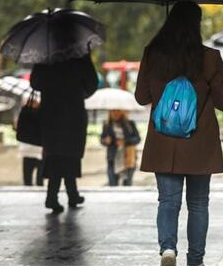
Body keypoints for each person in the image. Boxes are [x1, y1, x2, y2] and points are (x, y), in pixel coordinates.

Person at [135, 1, 223, 266]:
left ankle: (167, 250)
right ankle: (194, 263)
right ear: (196, 25)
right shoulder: (210, 57)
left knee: (168, 201)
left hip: (163, 141)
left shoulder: (153, 54)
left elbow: (141, 97)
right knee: (198, 203)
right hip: (199, 140)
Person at [31, 54, 98, 213]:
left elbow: (35, 82)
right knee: (70, 153)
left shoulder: (45, 53)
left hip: (51, 112)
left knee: (55, 154)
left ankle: (62, 195)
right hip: (73, 111)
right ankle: (59, 196)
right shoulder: (79, 53)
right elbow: (92, 83)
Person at [101, 110, 141, 186]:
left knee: (127, 186)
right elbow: (102, 140)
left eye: (118, 111)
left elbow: (137, 139)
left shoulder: (129, 124)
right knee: (113, 186)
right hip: (112, 158)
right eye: (113, 111)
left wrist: (125, 142)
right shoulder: (107, 125)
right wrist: (106, 141)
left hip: (128, 158)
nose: (115, 113)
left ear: (123, 111)